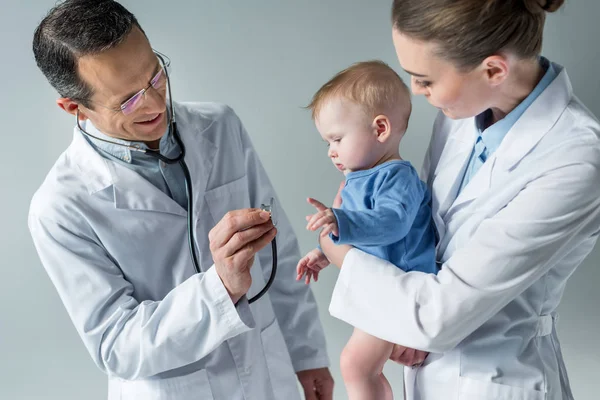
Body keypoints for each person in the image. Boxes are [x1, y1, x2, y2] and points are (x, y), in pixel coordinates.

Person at [28, 1, 333, 399]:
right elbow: (116, 345)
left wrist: (307, 352)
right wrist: (220, 286)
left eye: (155, 76)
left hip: (267, 374)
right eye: (129, 101)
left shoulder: (220, 127)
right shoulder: (60, 207)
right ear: (74, 108)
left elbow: (279, 249)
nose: (156, 104)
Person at [321, 0, 600, 399]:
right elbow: (426, 230)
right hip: (424, 366)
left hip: (498, 378)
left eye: (425, 80)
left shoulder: (576, 160)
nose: (415, 92)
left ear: (493, 70)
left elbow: (439, 314)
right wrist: (402, 322)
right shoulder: (466, 111)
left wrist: (341, 252)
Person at [296, 60, 437, 399]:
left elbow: (391, 224)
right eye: (328, 143)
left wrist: (340, 223)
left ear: (380, 129)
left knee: (355, 365)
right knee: (361, 366)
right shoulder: (358, 180)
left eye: (337, 138)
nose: (331, 152)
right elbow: (364, 236)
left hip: (401, 287)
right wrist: (325, 251)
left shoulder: (396, 177)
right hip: (379, 287)